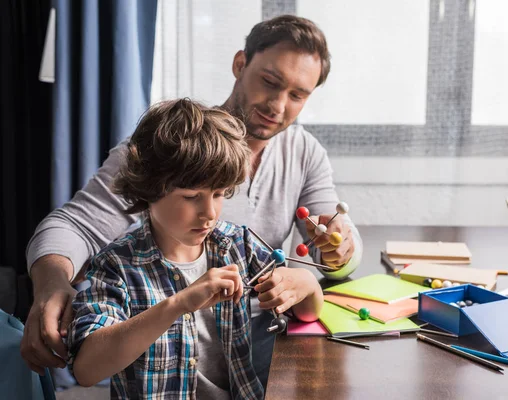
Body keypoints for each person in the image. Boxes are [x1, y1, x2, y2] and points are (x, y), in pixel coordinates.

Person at [22, 14, 363, 386]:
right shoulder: (168, 149)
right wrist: (52, 283)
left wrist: (340, 248)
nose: (278, 106)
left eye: (298, 95)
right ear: (239, 64)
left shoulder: (304, 153)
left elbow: (332, 245)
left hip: (261, 353)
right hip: (171, 358)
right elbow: (72, 226)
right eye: (269, 82)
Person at [67, 99, 324, 399]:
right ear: (149, 189)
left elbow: (308, 314)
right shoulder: (116, 266)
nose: (210, 213)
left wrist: (306, 284)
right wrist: (179, 304)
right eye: (191, 197)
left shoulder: (238, 245)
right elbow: (86, 370)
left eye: (218, 194)